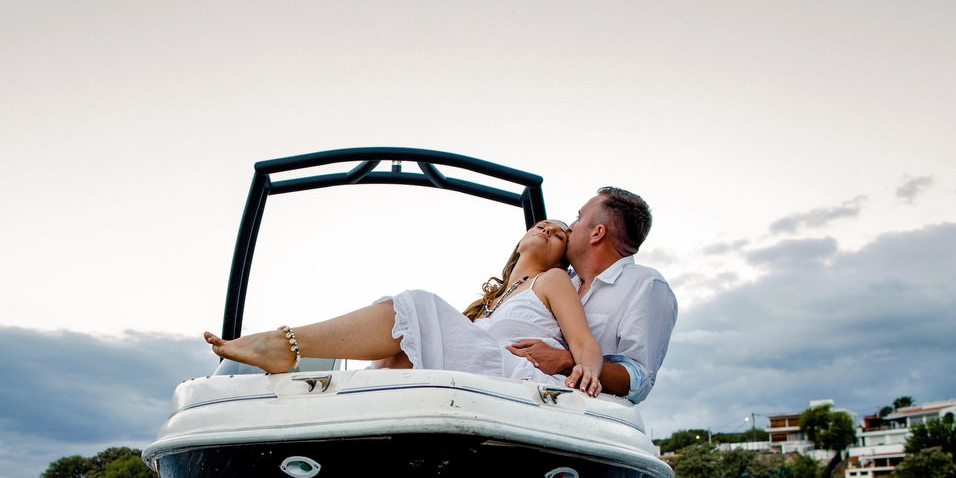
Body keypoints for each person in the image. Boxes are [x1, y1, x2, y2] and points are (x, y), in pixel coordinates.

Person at [204, 219, 608, 396]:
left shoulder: (552, 281)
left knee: (419, 306)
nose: (550, 231)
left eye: (560, 235)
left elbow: (584, 342)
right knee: (398, 356)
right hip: (478, 376)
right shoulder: (489, 302)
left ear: (562, 259)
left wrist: (587, 369)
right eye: (543, 225)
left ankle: (285, 344)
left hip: (511, 379)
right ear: (519, 242)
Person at [508, 187, 677, 403]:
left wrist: (565, 361)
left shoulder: (646, 285)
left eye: (578, 218)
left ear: (597, 233)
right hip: (519, 393)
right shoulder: (558, 279)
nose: (569, 228)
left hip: (588, 415)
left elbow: (639, 382)